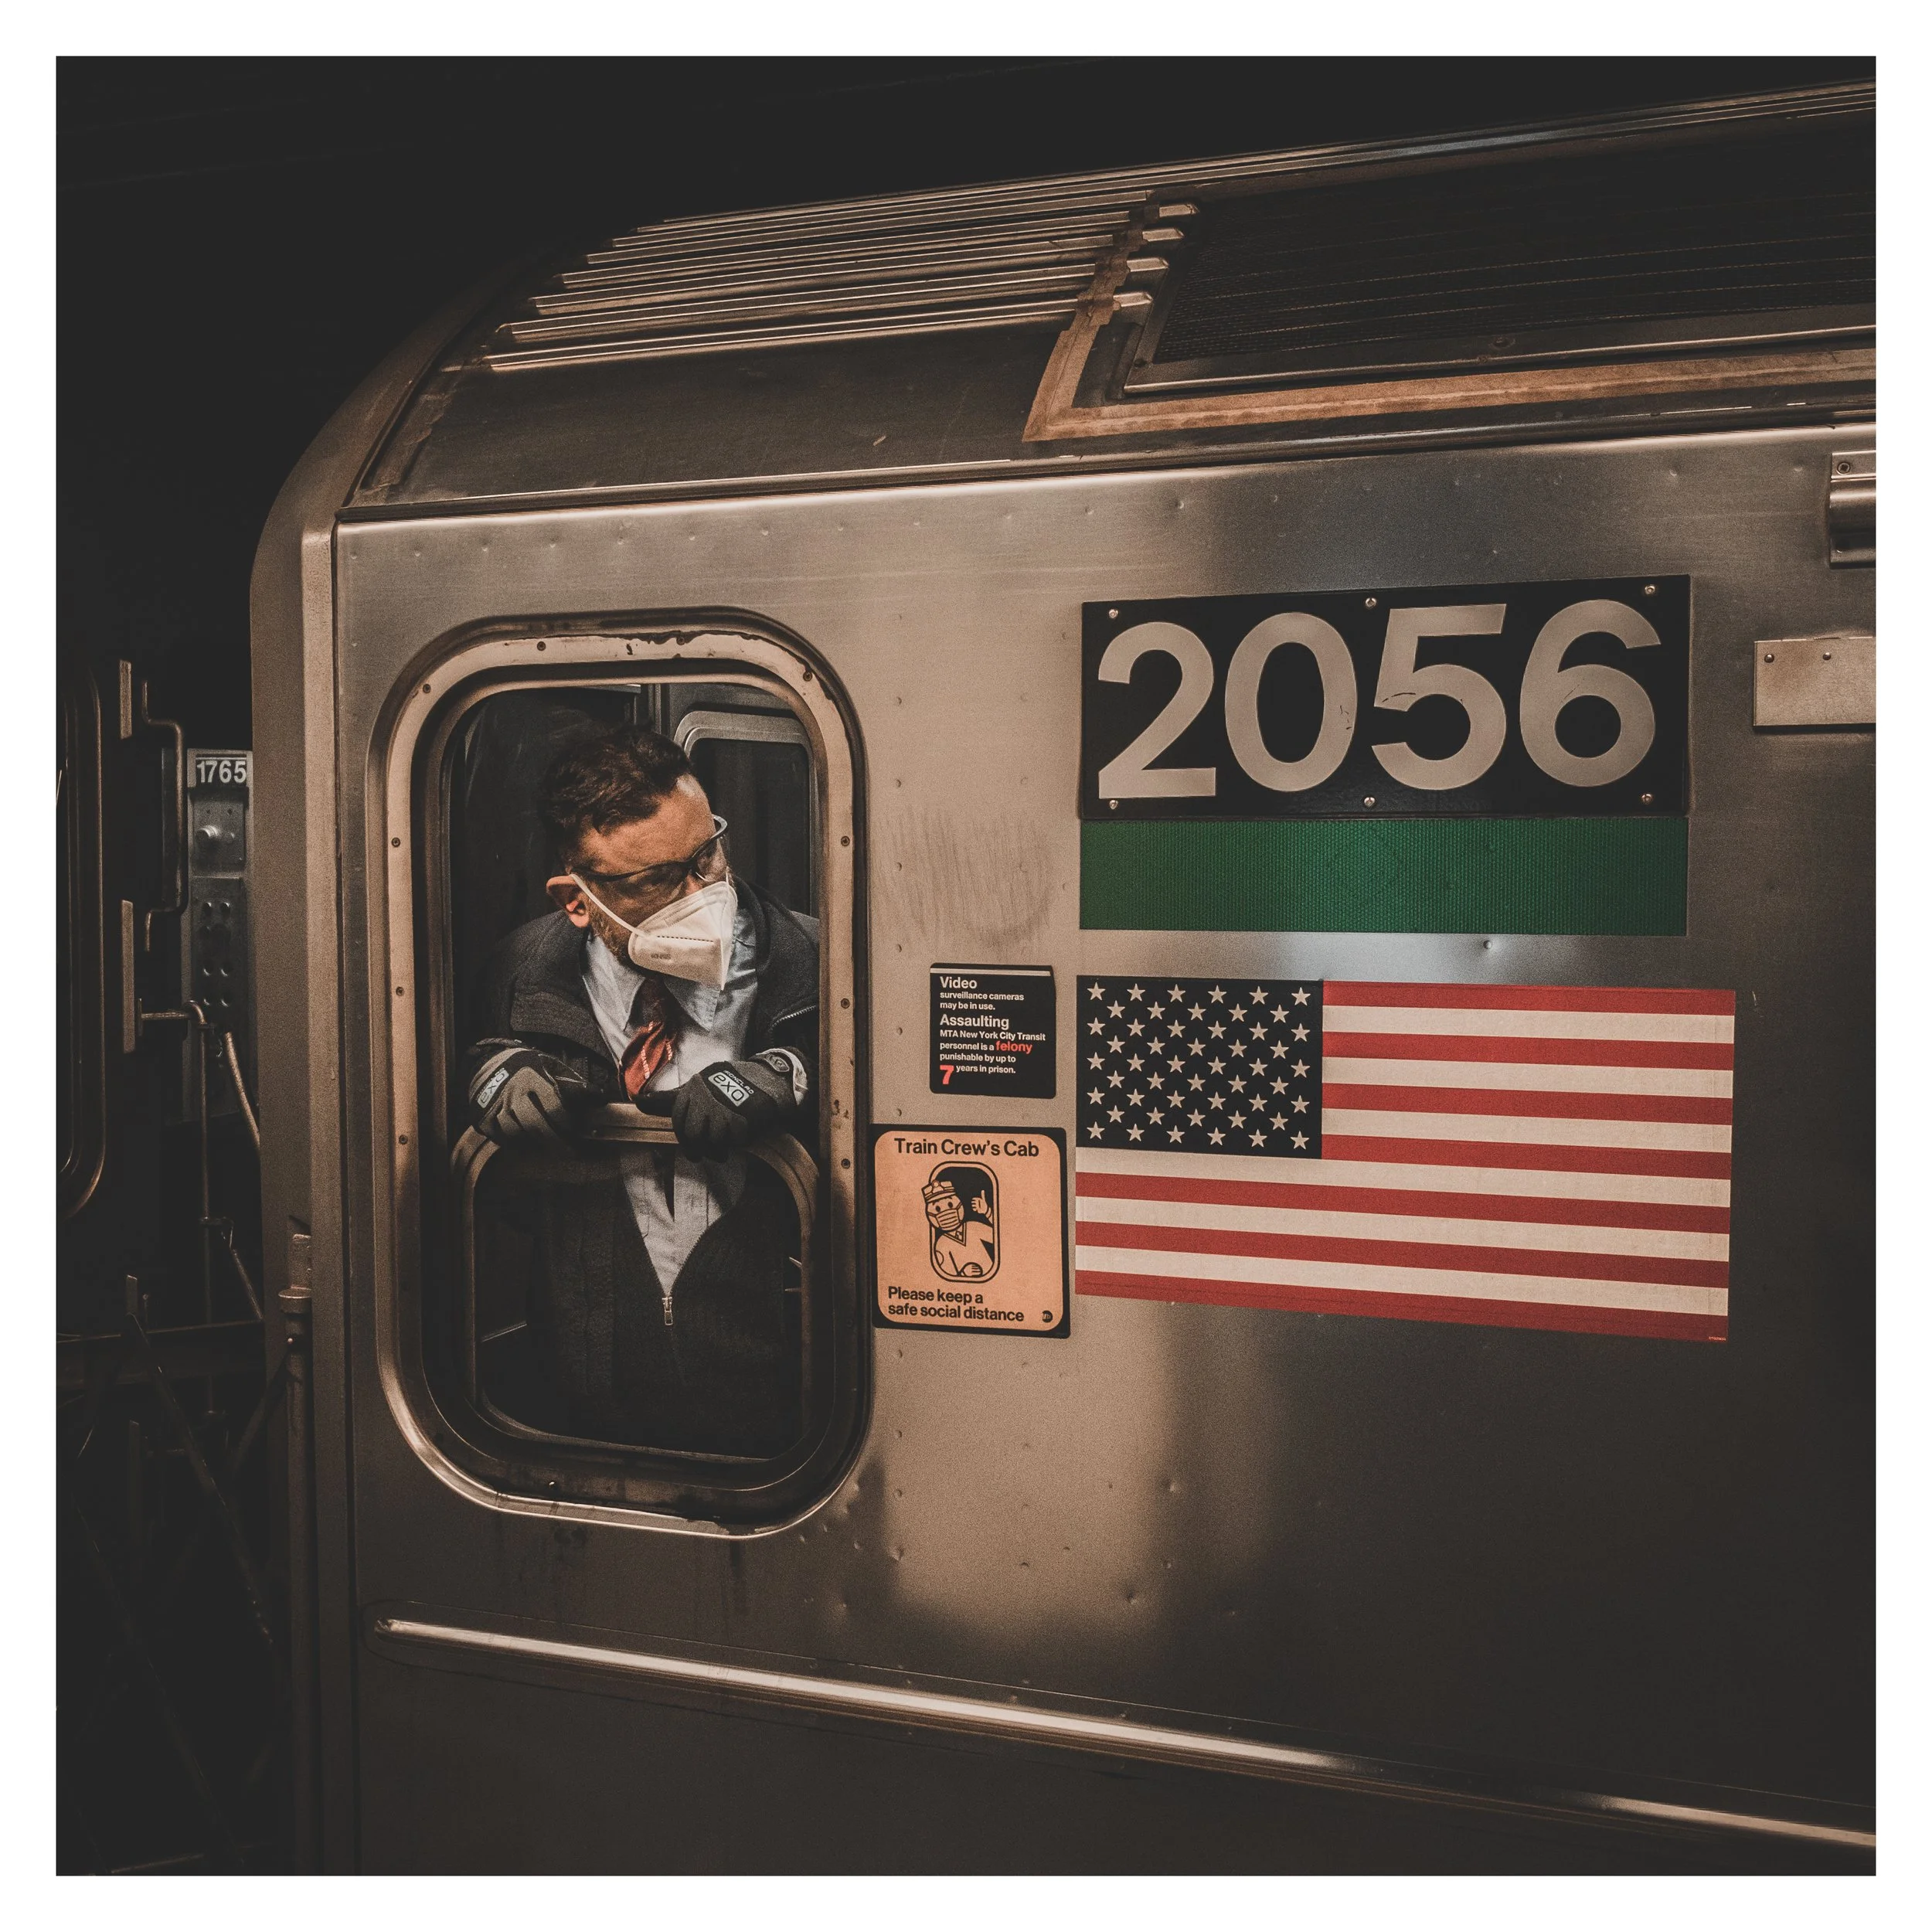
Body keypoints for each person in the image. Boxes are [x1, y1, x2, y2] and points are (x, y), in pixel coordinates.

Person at [463, 724, 818, 1455]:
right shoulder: (519, 975)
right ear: (578, 900)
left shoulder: (818, 965)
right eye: (660, 880)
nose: (706, 893)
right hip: (590, 1402)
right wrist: (491, 1071)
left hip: (790, 1407)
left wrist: (794, 1074)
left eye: (708, 853)